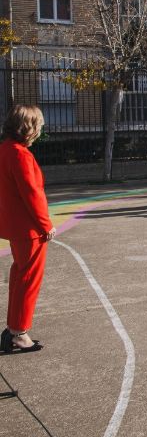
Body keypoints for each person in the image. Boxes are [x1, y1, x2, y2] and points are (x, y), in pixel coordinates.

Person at [0, 106, 54, 354]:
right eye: (38, 125)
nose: (40, 130)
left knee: (19, 276)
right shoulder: (20, 155)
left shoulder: (5, 151)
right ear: (28, 128)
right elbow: (32, 195)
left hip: (15, 226)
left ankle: (14, 328)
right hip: (29, 228)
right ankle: (18, 333)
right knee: (28, 280)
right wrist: (46, 225)